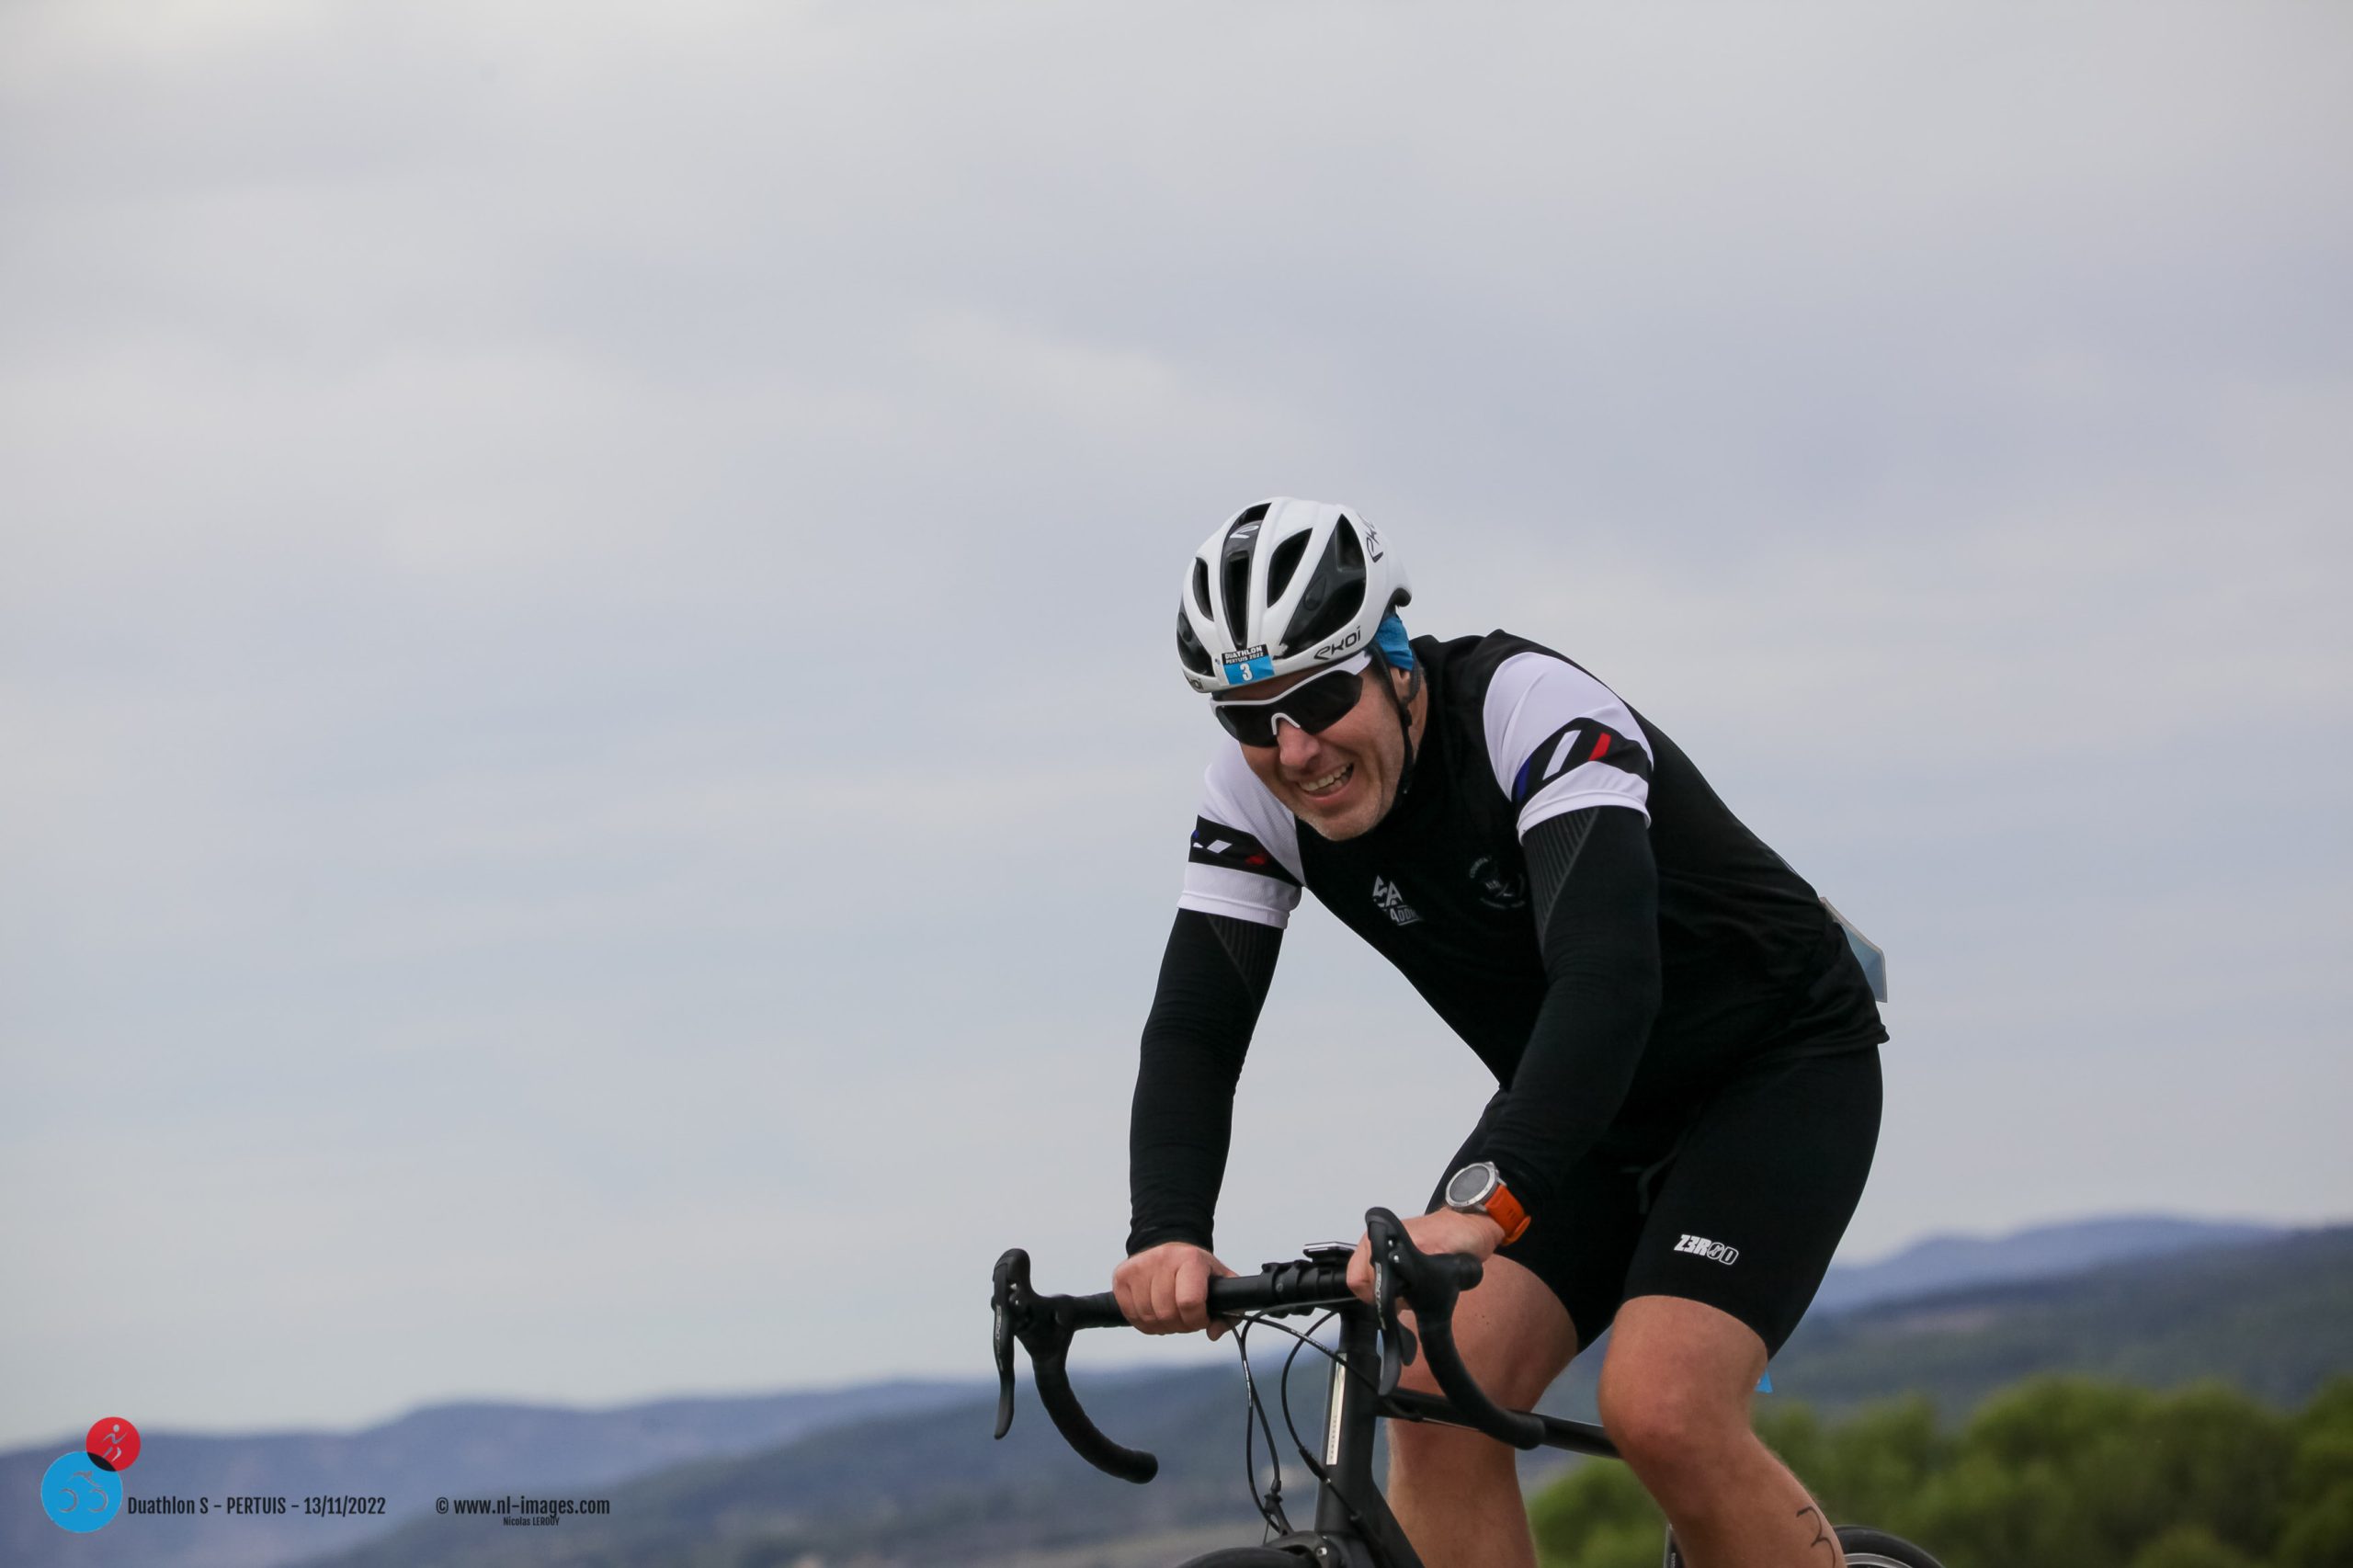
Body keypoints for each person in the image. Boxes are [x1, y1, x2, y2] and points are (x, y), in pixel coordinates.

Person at [1111, 498, 1889, 1568]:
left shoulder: (1525, 708)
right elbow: (1196, 1033)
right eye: (1248, 718)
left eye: (1321, 695)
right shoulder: (1254, 797)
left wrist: (1486, 1205)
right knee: (1429, 1398)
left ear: (1391, 655)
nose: (1293, 748)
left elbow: (1606, 983)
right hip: (1580, 1105)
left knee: (1662, 1408)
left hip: (1770, 1066)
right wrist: (1166, 1228)